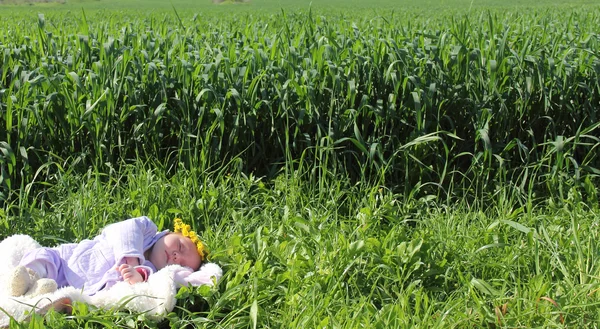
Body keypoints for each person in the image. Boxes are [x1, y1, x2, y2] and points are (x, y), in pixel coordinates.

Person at [8, 216, 208, 297]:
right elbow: (125, 228)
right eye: (179, 247)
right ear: (167, 233)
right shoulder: (146, 229)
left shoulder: (150, 272)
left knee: (52, 292)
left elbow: (144, 279)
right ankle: (30, 276)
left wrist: (137, 274)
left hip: (83, 287)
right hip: (69, 261)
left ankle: (36, 292)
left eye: (181, 262)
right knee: (43, 257)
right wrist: (131, 259)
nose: (175, 256)